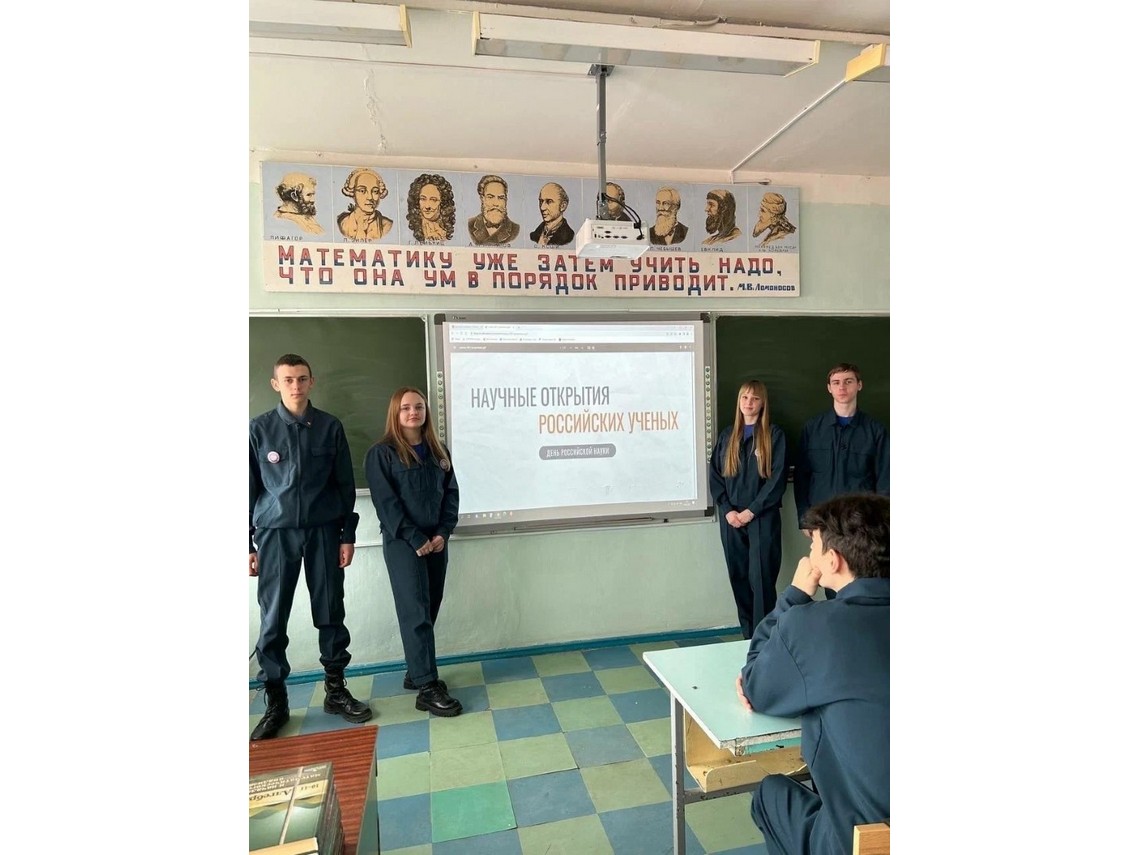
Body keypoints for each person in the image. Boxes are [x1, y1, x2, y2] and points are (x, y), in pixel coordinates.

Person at [735, 493, 889, 855]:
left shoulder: (814, 624)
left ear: (833, 561)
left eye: (814, 546)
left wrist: (794, 595)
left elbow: (756, 684)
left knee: (771, 795)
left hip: (864, 841)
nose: (810, 555)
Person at [249, 354, 373, 741]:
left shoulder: (330, 427)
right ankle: (277, 702)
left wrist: (347, 535)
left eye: (302, 379)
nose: (296, 386)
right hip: (275, 533)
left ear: (312, 382)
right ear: (276, 384)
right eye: (288, 380)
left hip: (324, 531)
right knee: (273, 619)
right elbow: (246, 489)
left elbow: (344, 485)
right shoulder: (259, 429)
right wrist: (245, 543)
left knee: (331, 611)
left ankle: (335, 692)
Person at [365, 387, 463, 717]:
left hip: (435, 542)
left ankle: (416, 671)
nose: (413, 412)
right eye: (405, 407)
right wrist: (414, 536)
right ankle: (427, 687)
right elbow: (386, 503)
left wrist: (443, 532)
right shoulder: (382, 454)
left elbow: (451, 494)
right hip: (403, 543)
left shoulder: (438, 450)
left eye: (418, 406)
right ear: (396, 413)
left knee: (430, 605)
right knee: (415, 611)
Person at [793, 362, 889, 600]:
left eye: (848, 381)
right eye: (836, 383)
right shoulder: (813, 429)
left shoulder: (876, 431)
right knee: (831, 580)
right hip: (825, 521)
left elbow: (885, 478)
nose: (842, 387)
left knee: (863, 579)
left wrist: (881, 521)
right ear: (829, 388)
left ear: (859, 385)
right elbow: (802, 476)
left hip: (862, 523)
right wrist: (805, 518)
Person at [709, 381, 788, 638]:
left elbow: (777, 480)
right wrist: (728, 510)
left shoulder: (773, 435)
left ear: (762, 403)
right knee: (739, 576)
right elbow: (715, 476)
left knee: (761, 577)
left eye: (754, 398)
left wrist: (752, 511)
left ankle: (764, 638)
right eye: (744, 397)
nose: (749, 403)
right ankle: (747, 637)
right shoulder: (728, 436)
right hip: (731, 519)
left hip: (761, 517)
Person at [336, 167, 393, 241]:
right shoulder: (343, 223)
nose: (370, 197)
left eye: (375, 191)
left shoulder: (387, 225)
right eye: (362, 191)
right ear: (353, 193)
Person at [468, 174, 520, 245]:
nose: (496, 203)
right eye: (490, 197)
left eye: (501, 198)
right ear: (482, 199)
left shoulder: (515, 229)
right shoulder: (470, 225)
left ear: (506, 201)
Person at [406, 173, 456, 243]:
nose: (427, 206)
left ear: (443, 202)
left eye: (433, 200)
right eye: (423, 199)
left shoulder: (444, 232)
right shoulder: (417, 229)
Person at [529, 182, 575, 246]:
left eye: (549, 201)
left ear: (563, 206)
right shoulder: (534, 236)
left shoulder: (569, 236)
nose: (542, 208)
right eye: (541, 201)